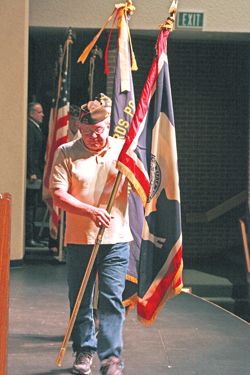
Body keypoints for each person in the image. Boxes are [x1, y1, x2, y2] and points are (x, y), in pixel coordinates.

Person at [50, 96, 133, 375]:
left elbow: (143, 184)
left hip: (116, 240)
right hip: (79, 240)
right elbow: (58, 196)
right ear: (79, 129)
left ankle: (111, 358)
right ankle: (85, 350)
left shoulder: (123, 152)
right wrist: (90, 211)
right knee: (81, 298)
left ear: (108, 126)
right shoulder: (66, 152)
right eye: (88, 133)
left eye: (99, 131)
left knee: (111, 299)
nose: (95, 137)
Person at [25, 102, 45, 247]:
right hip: (32, 174)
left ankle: (33, 236)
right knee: (30, 206)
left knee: (34, 205)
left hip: (37, 171)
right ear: (32, 113)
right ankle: (29, 237)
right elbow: (30, 151)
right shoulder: (30, 128)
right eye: (39, 112)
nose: (42, 115)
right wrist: (31, 172)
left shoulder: (36, 128)